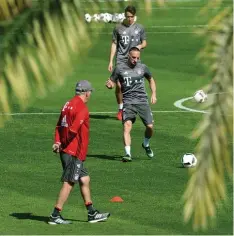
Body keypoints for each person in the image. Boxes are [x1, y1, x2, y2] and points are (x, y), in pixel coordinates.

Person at [48, 80, 110, 224]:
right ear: (87, 93)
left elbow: (59, 125)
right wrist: (62, 143)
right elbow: (73, 130)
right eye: (90, 92)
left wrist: (57, 142)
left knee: (84, 179)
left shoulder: (67, 104)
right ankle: (55, 214)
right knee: (69, 182)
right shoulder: (82, 108)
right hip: (73, 152)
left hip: (67, 149)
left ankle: (91, 213)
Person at [106, 47, 157, 162]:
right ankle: (127, 153)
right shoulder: (119, 68)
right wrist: (110, 85)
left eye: (138, 58)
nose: (136, 60)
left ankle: (146, 143)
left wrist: (153, 93)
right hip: (128, 101)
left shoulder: (143, 67)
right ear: (128, 56)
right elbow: (112, 82)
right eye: (133, 57)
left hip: (142, 101)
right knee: (127, 126)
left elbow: (151, 79)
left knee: (150, 127)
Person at [108, 5, 147, 121]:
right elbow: (114, 44)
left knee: (133, 84)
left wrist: (139, 46)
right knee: (119, 85)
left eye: (131, 17)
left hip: (134, 59)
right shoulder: (118, 28)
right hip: (121, 59)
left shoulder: (140, 28)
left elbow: (144, 42)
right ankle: (121, 109)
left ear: (134, 16)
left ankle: (134, 107)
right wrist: (110, 60)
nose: (129, 19)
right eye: (127, 16)